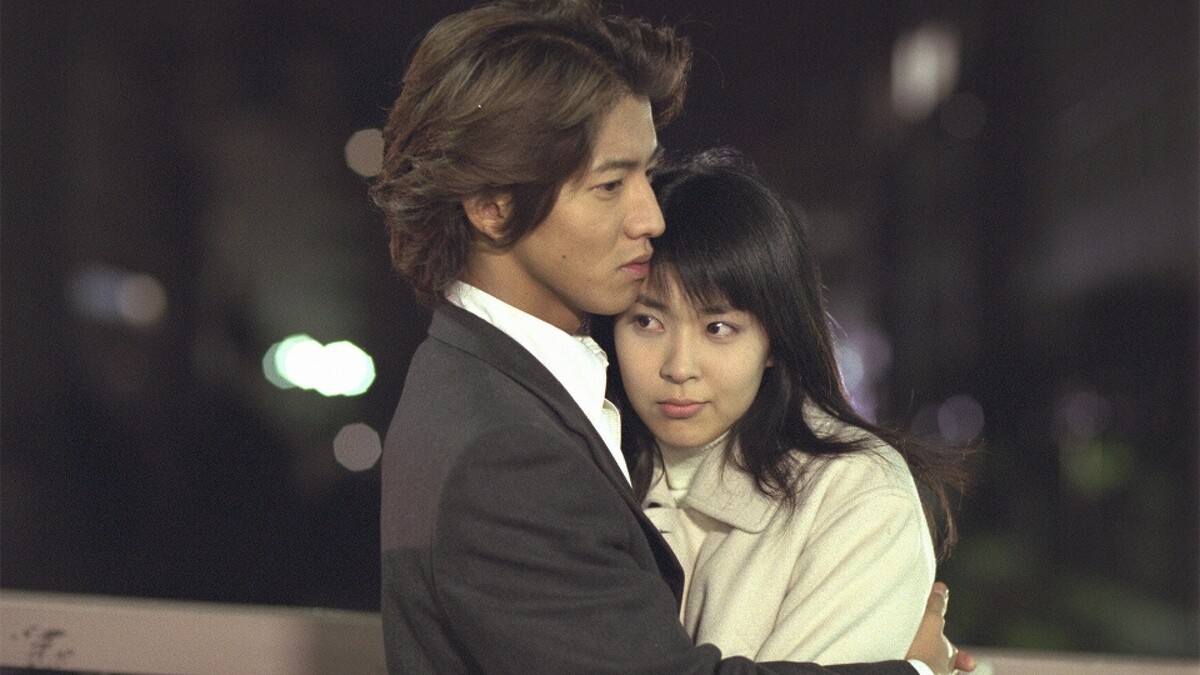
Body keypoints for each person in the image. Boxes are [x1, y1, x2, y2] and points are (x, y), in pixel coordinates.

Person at [371, 1, 974, 673]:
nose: (651, 217)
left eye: (647, 175)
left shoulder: (479, 385)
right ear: (492, 206)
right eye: (611, 184)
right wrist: (919, 671)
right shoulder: (505, 447)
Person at [596, 151, 973, 665]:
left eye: (718, 328)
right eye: (646, 322)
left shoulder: (852, 494)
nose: (679, 367)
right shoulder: (579, 464)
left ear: (774, 338)